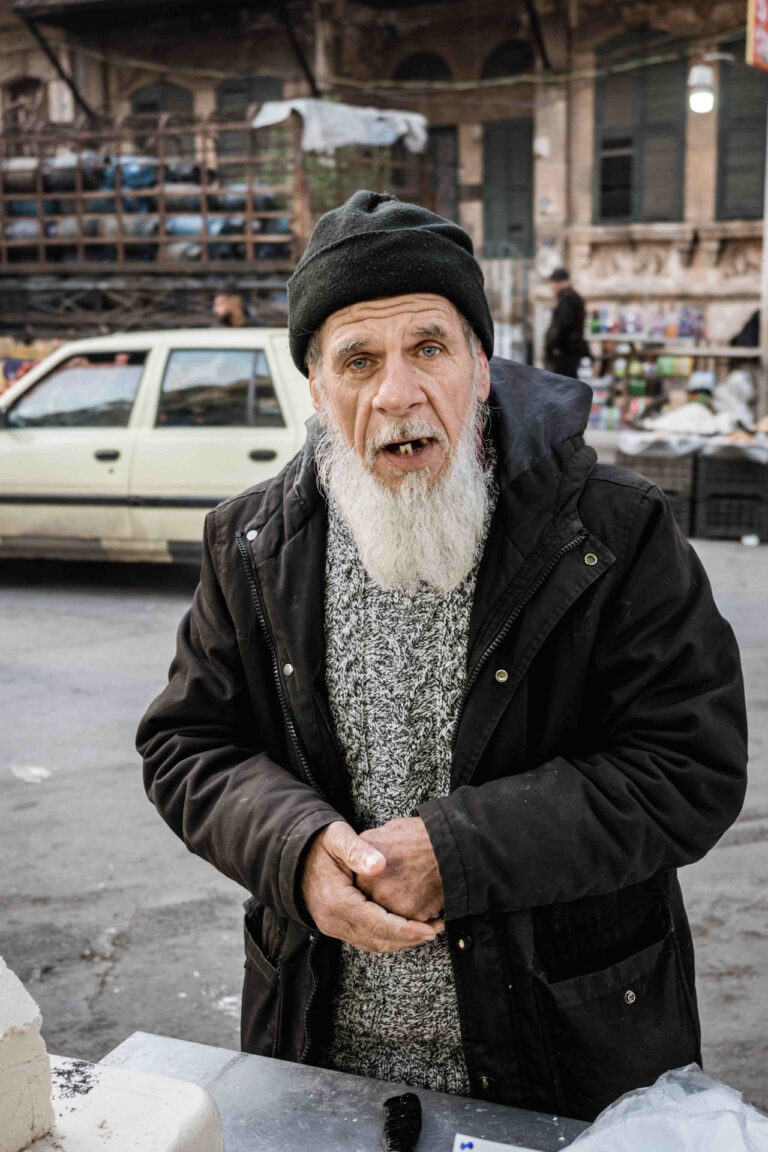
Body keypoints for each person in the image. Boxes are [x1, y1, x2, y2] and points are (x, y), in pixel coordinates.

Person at [137, 191, 747, 1122]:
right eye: (358, 360)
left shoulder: (614, 531)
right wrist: (294, 850)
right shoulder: (251, 544)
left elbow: (687, 769)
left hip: (565, 1058)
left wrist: (458, 853)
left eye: (428, 348)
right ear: (316, 385)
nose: (397, 394)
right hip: (322, 1056)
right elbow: (189, 747)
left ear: (480, 366)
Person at [544, 266, 590, 378]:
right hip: (569, 350)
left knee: (563, 387)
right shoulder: (570, 297)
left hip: (566, 352)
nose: (552, 287)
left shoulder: (568, 299)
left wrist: (556, 345)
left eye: (554, 283)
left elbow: (564, 324)